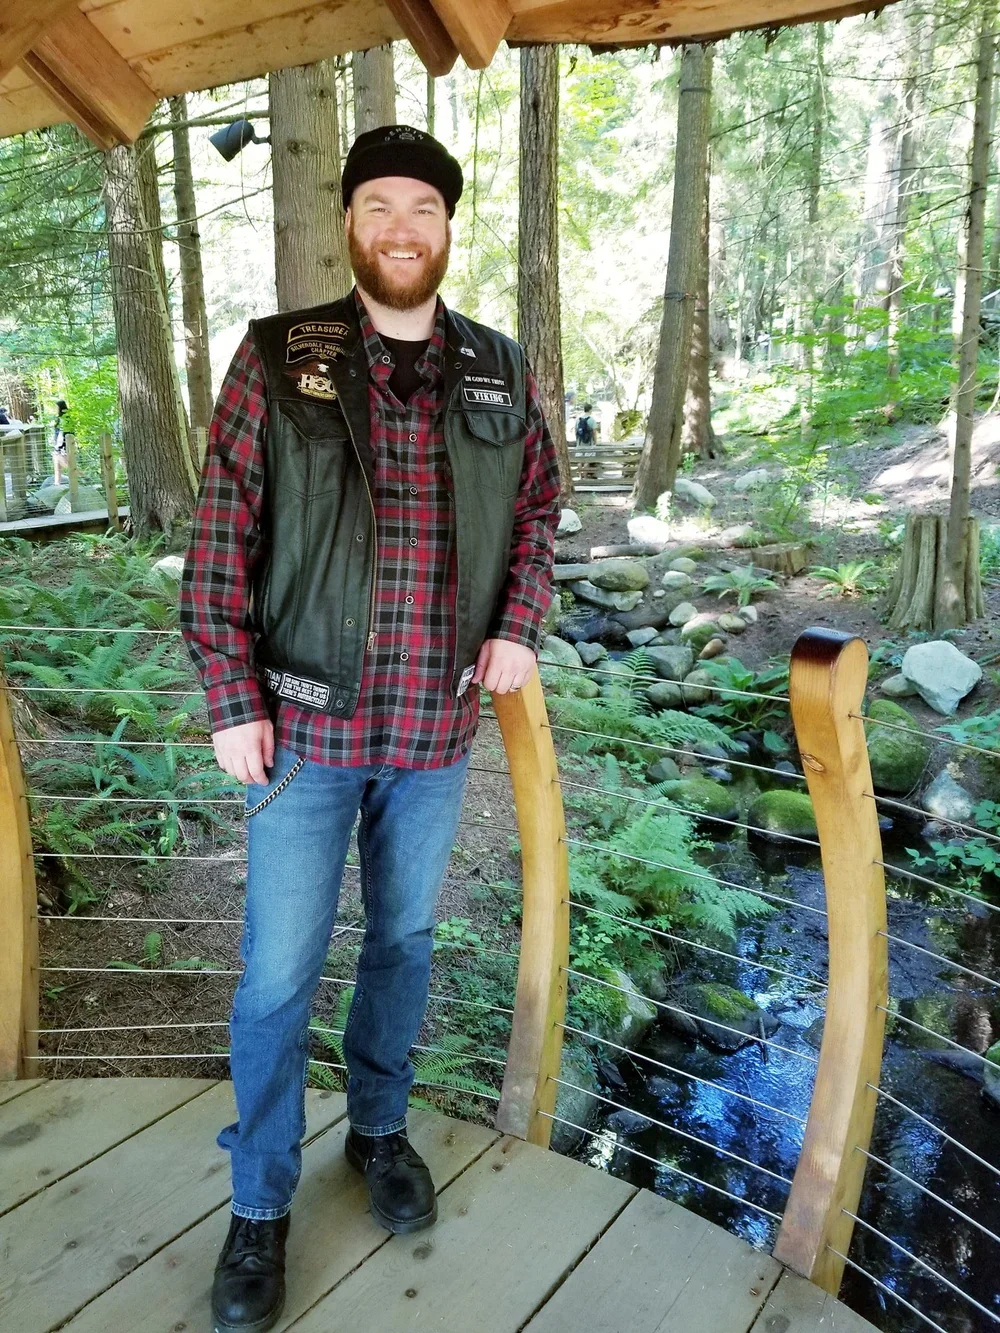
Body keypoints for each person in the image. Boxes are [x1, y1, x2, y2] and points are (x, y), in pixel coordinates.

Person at [178, 124, 561, 1333]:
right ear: (351, 222)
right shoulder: (278, 355)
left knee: (401, 945)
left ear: (450, 230)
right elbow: (216, 543)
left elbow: (542, 511)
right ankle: (259, 1202)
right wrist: (232, 696)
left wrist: (521, 624)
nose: (403, 228)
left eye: (425, 210)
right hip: (303, 731)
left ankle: (380, 1132)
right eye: (380, 206)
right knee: (279, 976)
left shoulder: (498, 370)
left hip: (435, 732)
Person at [52, 399, 75, 486]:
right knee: (59, 464)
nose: (55, 409)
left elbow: (61, 434)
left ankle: (83, 478)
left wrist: (58, 447)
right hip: (66, 445)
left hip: (62, 446)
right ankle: (57, 483)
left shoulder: (62, 419)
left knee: (67, 465)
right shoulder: (68, 418)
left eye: (56, 407)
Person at [575, 401, 598, 480]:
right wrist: (595, 441)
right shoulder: (592, 420)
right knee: (587, 461)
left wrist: (577, 440)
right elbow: (594, 432)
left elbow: (576, 431)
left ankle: (580, 477)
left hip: (580, 442)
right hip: (589, 443)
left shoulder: (578, 419)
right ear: (590, 410)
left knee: (579, 460)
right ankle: (584, 478)